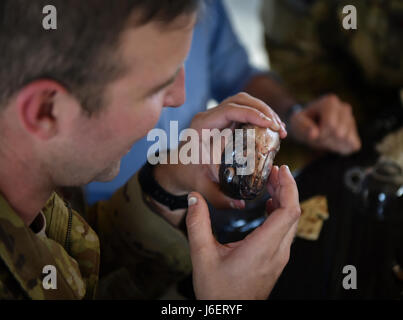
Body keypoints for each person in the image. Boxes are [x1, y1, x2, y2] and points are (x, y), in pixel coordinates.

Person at [0, 0, 300, 300]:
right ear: (46, 111)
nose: (179, 99)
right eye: (157, 88)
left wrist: (163, 190)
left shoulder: (46, 191)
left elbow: (82, 276)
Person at [85, 0, 361, 205]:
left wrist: (293, 114)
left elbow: (239, 74)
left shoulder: (205, 7)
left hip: (182, 194)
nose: (178, 97)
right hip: (102, 211)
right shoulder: (78, 24)